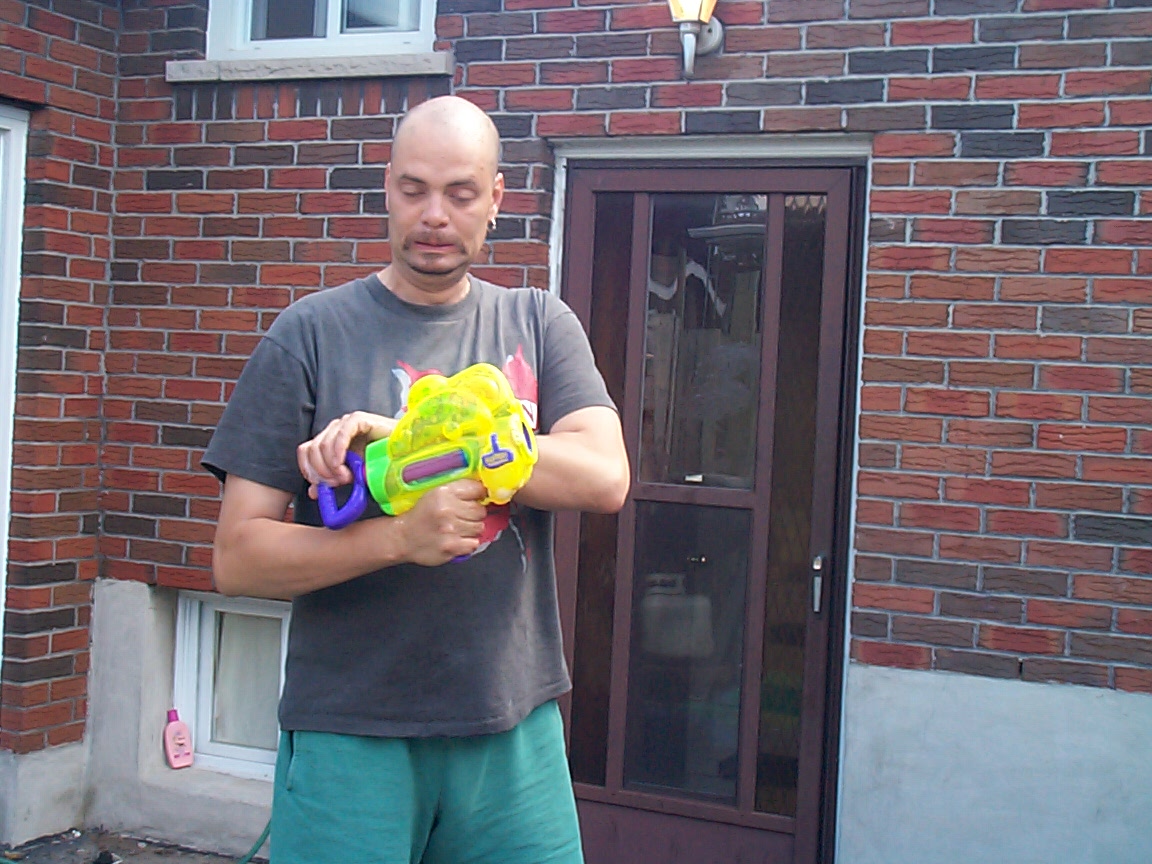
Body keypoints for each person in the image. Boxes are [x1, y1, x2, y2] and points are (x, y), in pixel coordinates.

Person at [201, 95, 630, 864]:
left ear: (496, 198)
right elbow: (238, 558)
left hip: (512, 731)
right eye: (414, 189)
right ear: (388, 187)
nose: (434, 215)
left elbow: (604, 477)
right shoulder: (309, 335)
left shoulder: (538, 322)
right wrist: (398, 537)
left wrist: (424, 440)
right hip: (350, 735)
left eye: (460, 193)